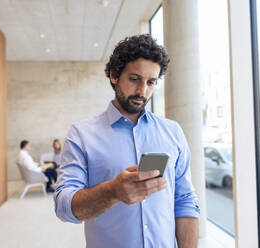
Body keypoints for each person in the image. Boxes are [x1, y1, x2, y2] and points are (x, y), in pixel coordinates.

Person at [54, 34, 200, 247]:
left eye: (151, 82)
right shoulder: (82, 135)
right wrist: (112, 191)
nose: (143, 91)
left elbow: (185, 201)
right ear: (114, 76)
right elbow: (63, 207)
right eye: (134, 79)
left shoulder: (173, 132)